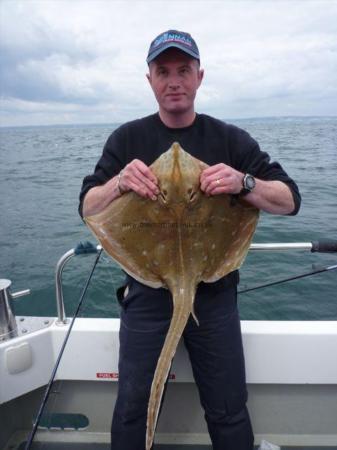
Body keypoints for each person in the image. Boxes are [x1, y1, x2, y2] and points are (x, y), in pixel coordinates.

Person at [79, 30, 301, 450]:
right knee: (133, 406)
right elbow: (88, 206)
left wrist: (243, 181)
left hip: (214, 291)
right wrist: (119, 183)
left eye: (184, 70)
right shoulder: (126, 139)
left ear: (199, 76)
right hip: (146, 292)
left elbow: (290, 200)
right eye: (163, 71)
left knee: (228, 406)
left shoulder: (231, 139)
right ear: (150, 80)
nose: (174, 80)